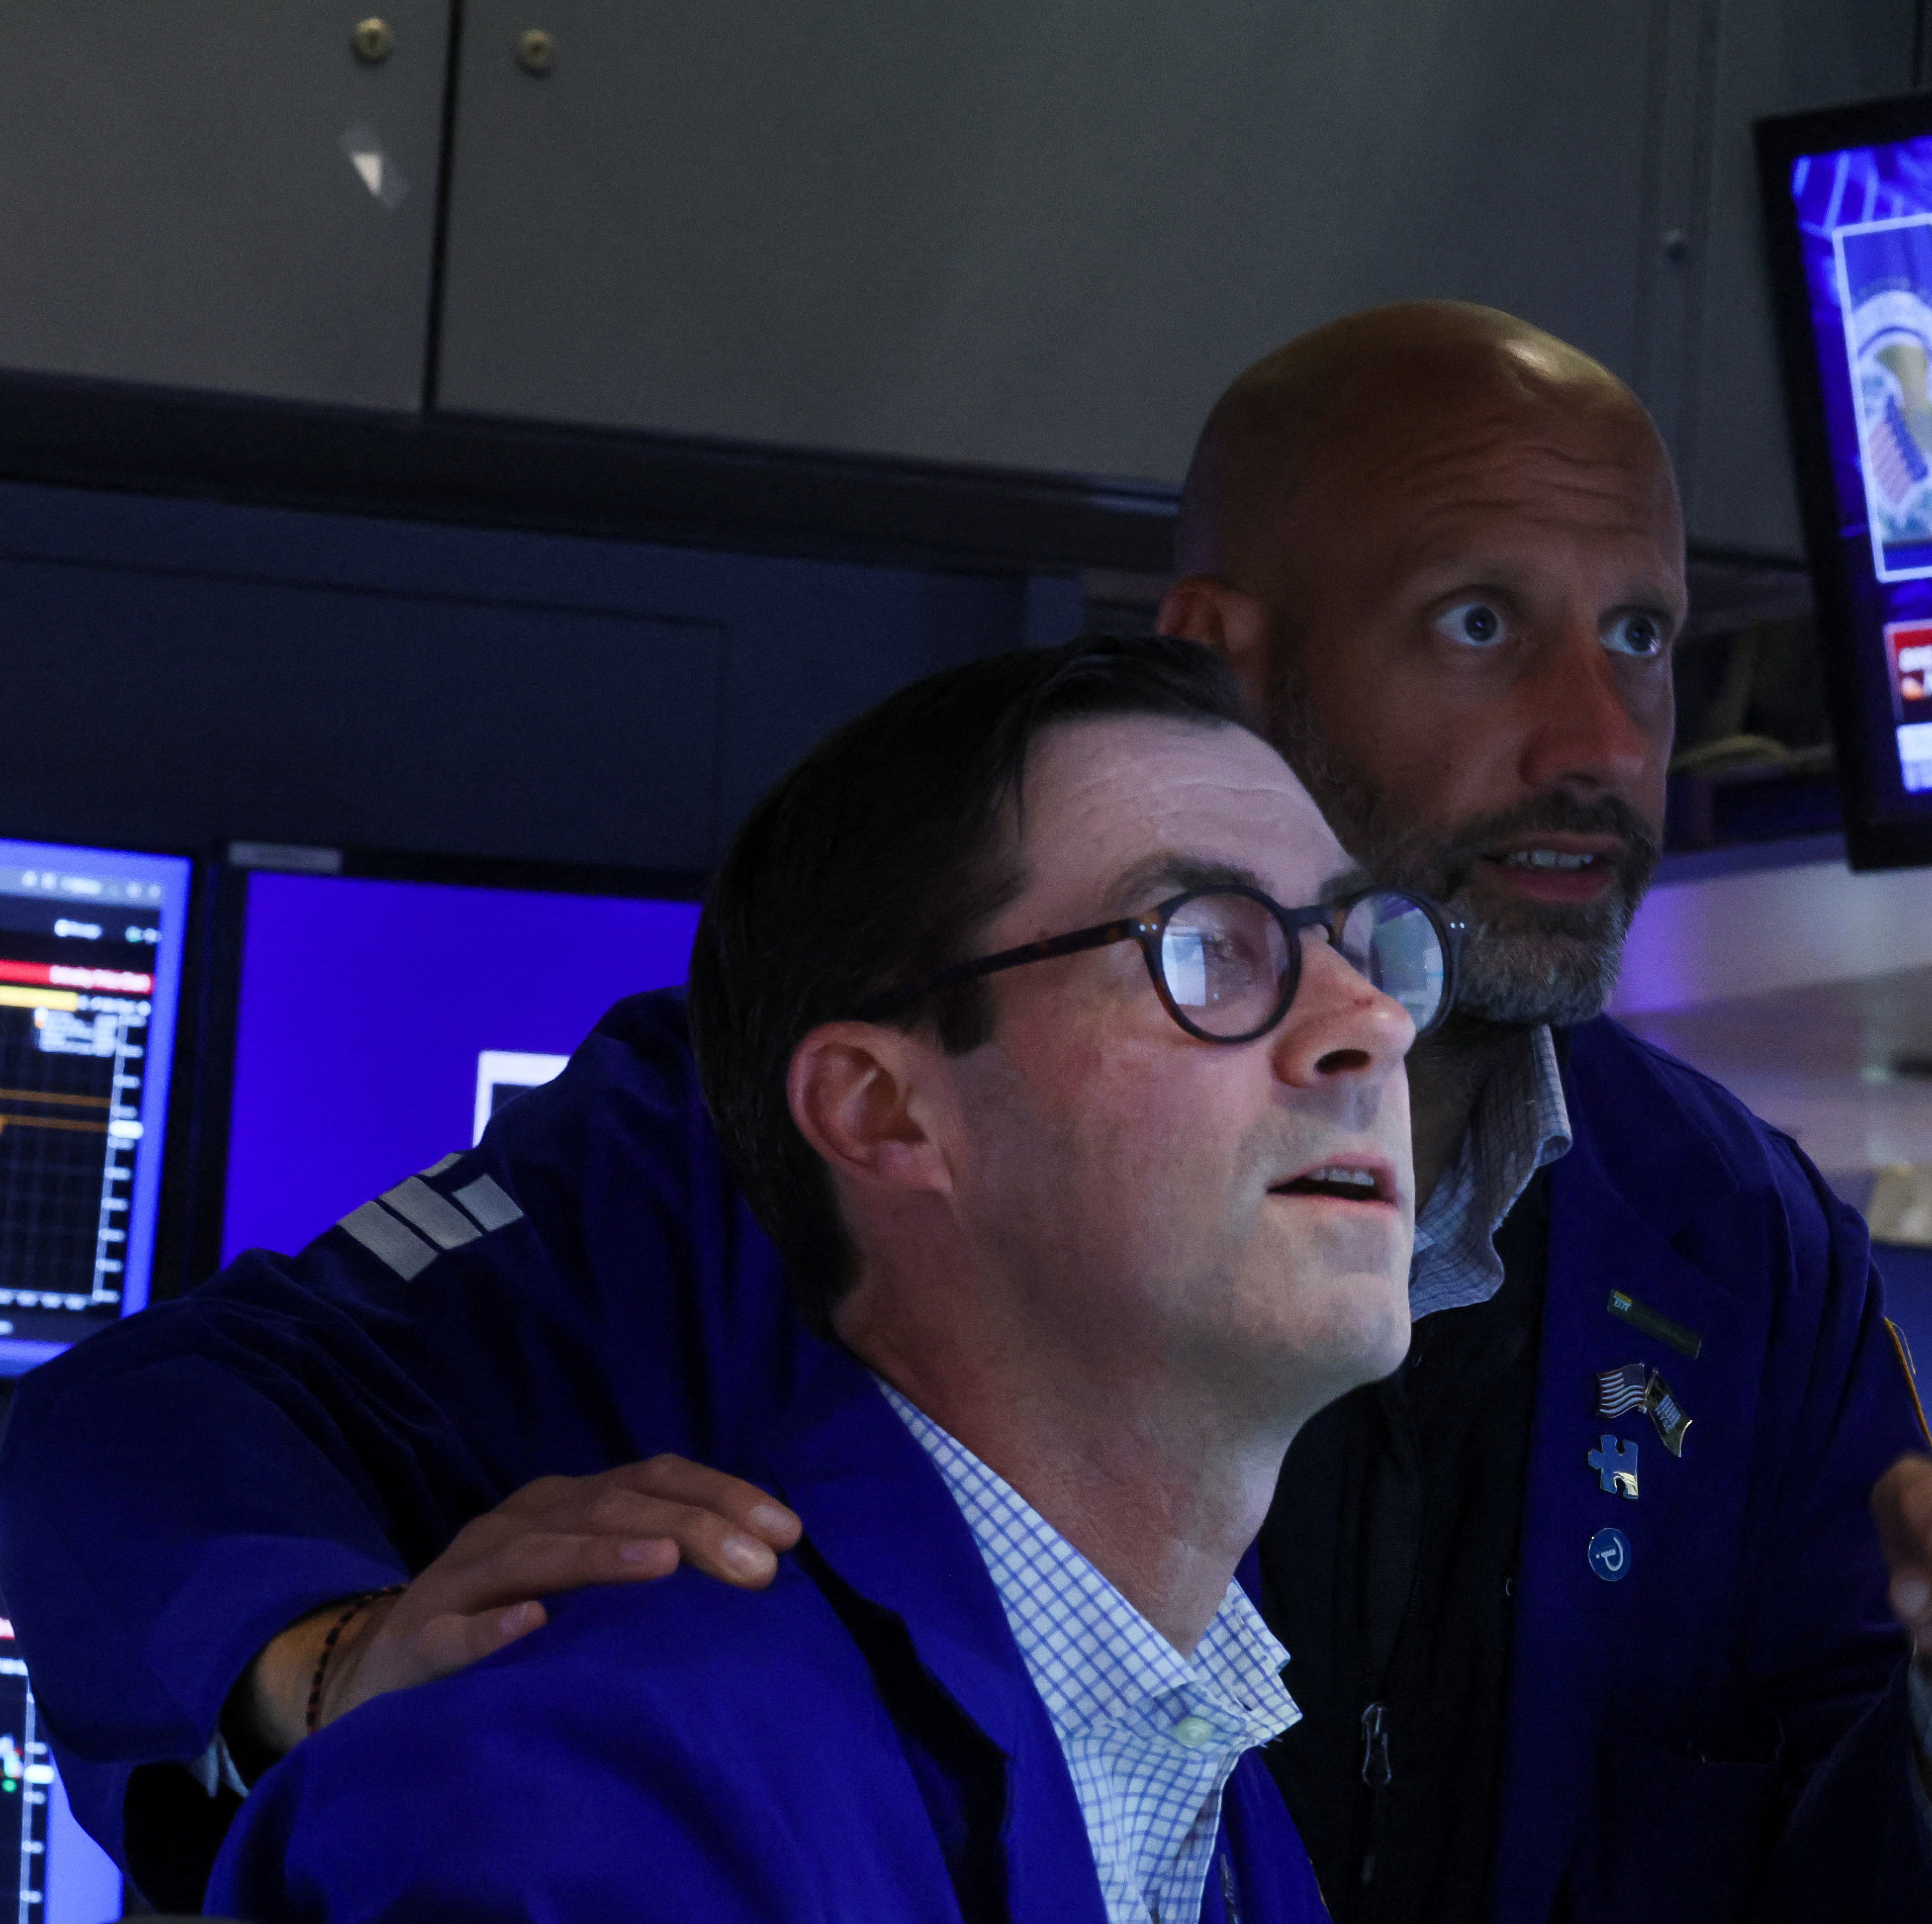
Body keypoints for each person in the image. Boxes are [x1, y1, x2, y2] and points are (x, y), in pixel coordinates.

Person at [1, 301, 1932, 1922]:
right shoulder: (705, 1247)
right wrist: (321, 1664)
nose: (1598, 733)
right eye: (1483, 623)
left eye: (1647, 637)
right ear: (1225, 659)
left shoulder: (1720, 1241)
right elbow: (147, 1424)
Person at [213, 636, 1453, 1919]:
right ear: (884, 1113)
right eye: (1204, 949)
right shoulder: (573, 1801)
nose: (1372, 1020)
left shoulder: (1208, 1784)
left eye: (1364, 943)